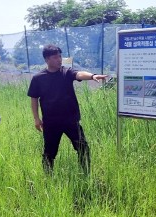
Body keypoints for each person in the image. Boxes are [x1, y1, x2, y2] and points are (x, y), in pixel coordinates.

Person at [27, 44, 108, 175]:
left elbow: (79, 74)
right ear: (47, 59)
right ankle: (48, 179)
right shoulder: (38, 78)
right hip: (51, 122)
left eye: (60, 56)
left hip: (71, 120)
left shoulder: (66, 72)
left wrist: (93, 76)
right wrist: (36, 119)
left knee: (83, 148)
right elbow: (34, 98)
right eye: (55, 57)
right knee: (49, 152)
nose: (59, 60)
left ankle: (85, 174)